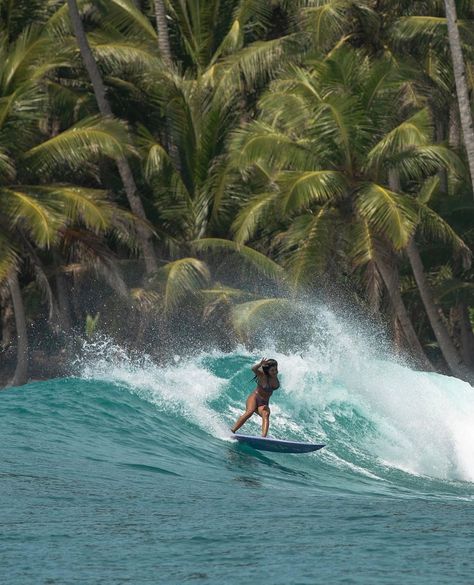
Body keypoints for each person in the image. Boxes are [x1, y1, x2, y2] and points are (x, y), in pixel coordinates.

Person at [231, 358, 279, 437]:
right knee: (250, 411)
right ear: (267, 371)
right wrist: (260, 364)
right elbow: (253, 369)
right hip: (255, 398)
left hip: (263, 403)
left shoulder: (275, 378)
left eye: (276, 369)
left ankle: (263, 438)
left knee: (266, 414)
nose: (275, 372)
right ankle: (232, 430)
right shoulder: (262, 375)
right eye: (272, 370)